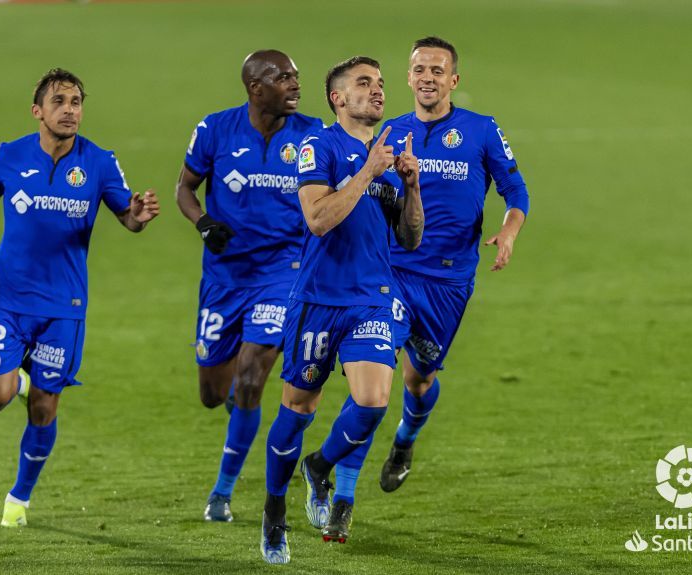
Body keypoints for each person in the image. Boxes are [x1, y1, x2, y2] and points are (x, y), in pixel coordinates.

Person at [0, 68, 160, 528]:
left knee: (46, 406)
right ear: (38, 111)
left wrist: (139, 216)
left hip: (63, 307)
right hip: (8, 297)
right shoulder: (9, 156)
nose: (70, 110)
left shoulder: (100, 162)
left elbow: (127, 217)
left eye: (77, 102)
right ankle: (18, 382)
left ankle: (19, 499)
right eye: (60, 101)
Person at [333, 36, 531, 533]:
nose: (427, 77)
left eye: (437, 70)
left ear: (454, 80)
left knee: (418, 380)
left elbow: (516, 189)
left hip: (448, 283)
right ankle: (342, 494)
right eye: (419, 68)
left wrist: (508, 232)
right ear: (408, 77)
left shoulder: (482, 131)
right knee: (371, 378)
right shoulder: (390, 133)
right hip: (391, 275)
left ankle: (406, 437)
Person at [259, 55, 423, 564]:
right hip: (317, 301)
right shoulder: (319, 147)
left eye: (379, 83)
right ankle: (273, 510)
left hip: (371, 299)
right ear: (337, 98)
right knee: (297, 409)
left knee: (373, 402)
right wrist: (368, 170)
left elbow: (411, 239)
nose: (377, 91)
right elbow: (317, 218)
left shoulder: (389, 159)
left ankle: (320, 466)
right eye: (363, 83)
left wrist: (411, 185)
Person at [175, 50, 323, 523]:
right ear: (256, 88)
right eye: (284, 78)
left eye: (297, 77)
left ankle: (222, 492)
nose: (296, 85)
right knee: (212, 393)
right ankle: (237, 413)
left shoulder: (312, 137)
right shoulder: (215, 129)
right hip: (224, 278)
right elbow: (185, 188)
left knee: (251, 377)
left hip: (283, 273)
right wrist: (202, 223)